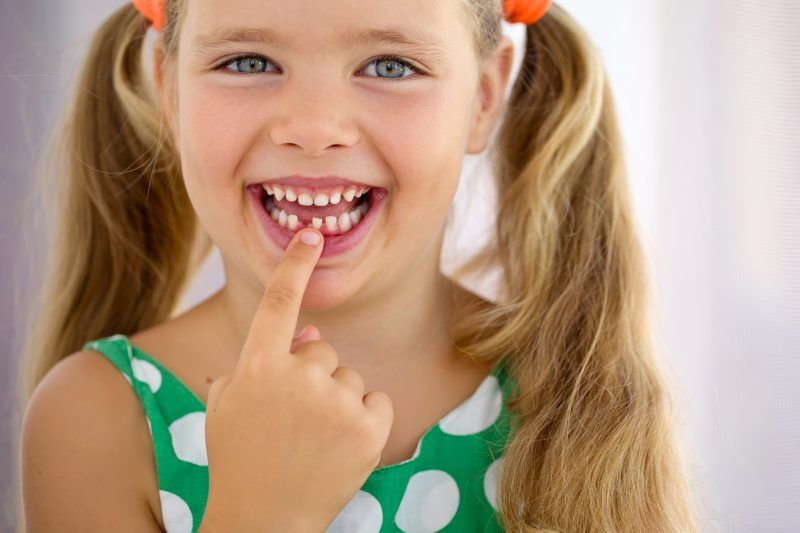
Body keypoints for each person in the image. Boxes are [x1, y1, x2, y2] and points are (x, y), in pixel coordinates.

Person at [15, 0, 699, 531]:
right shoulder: (96, 419)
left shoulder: (578, 404)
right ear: (168, 89)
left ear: (483, 99)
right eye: (248, 62)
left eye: (391, 66)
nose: (314, 126)